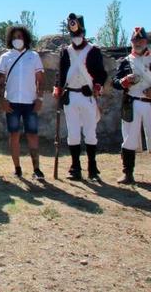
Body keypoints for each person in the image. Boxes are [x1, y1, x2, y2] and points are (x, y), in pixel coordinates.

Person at [112, 27, 151, 185]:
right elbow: (115, 83)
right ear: (131, 42)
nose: (138, 43)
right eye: (135, 40)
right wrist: (125, 81)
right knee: (129, 139)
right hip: (132, 103)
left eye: (141, 40)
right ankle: (128, 173)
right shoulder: (126, 62)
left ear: (146, 42)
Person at [53, 13, 107, 181]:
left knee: (90, 133)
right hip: (71, 96)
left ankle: (92, 168)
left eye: (78, 34)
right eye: (73, 34)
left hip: (86, 94)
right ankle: (75, 167)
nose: (75, 37)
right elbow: (61, 73)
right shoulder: (65, 52)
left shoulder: (94, 51)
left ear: (83, 33)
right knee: (73, 134)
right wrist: (58, 87)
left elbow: (101, 73)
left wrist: (98, 85)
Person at [0, 25, 46, 180]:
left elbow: (40, 80)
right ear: (10, 39)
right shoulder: (5, 57)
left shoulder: (33, 56)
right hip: (12, 102)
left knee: (32, 134)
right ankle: (17, 168)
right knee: (14, 135)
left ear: (25, 38)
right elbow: (0, 81)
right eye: (15, 37)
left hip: (30, 102)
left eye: (20, 36)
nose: (17, 39)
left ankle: (36, 169)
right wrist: (2, 100)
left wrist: (40, 98)